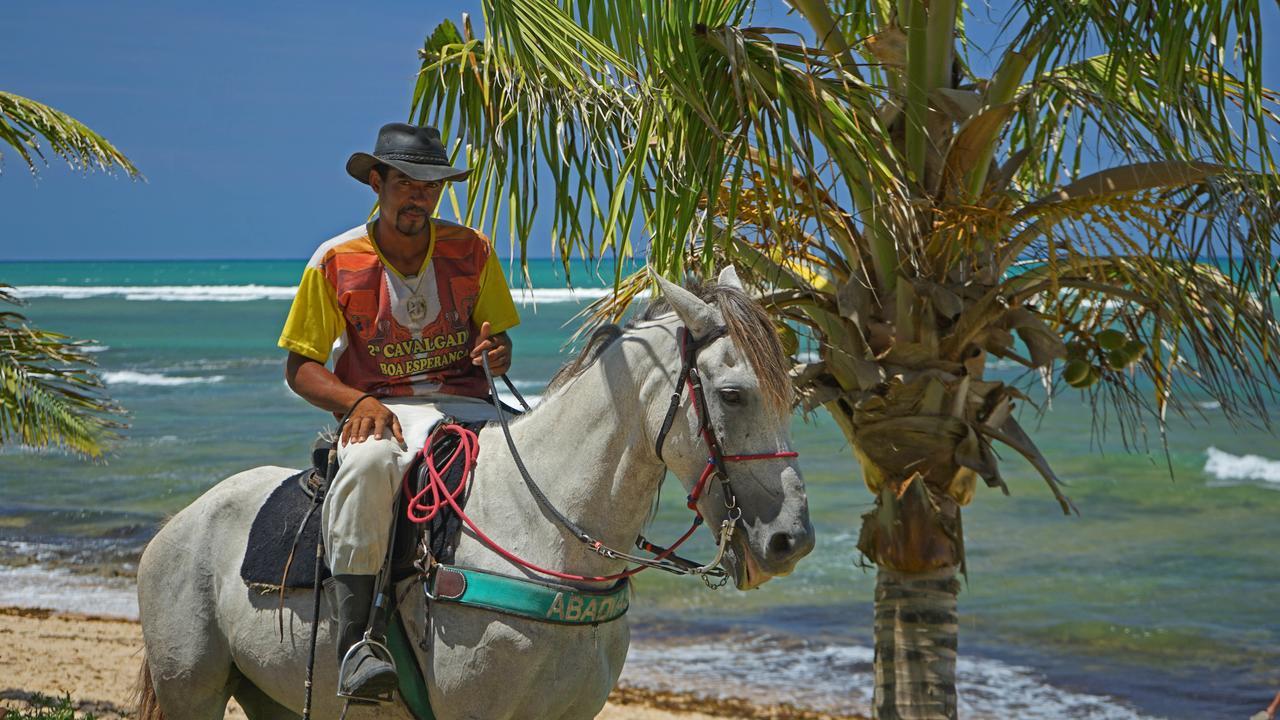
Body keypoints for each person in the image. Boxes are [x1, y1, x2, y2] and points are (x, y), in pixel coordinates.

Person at [277, 123, 519, 700]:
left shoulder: (473, 249)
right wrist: (356, 401)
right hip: (380, 407)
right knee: (366, 468)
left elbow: (501, 343)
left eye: (431, 185)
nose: (419, 196)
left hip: (467, 400)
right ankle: (358, 643)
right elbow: (301, 367)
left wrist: (498, 352)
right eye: (406, 182)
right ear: (378, 182)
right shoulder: (334, 259)